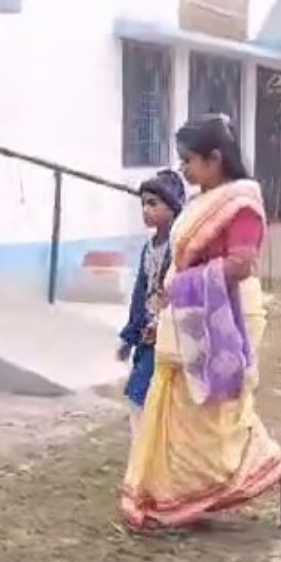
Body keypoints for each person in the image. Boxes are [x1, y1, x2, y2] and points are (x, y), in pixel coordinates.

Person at [120, 114, 281, 532]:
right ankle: (178, 495)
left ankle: (279, 473)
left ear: (215, 158)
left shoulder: (240, 204)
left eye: (189, 161)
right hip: (191, 310)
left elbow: (241, 265)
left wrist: (183, 282)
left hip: (224, 313)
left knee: (214, 411)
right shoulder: (201, 200)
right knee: (184, 407)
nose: (184, 169)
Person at [117, 169, 185, 434]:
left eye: (153, 203)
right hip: (147, 338)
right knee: (140, 395)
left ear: (173, 207)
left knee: (150, 397)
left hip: (171, 336)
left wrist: (164, 324)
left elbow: (181, 292)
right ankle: (144, 460)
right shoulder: (149, 248)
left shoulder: (180, 247)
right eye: (143, 203)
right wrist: (129, 337)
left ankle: (152, 461)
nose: (146, 210)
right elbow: (140, 294)